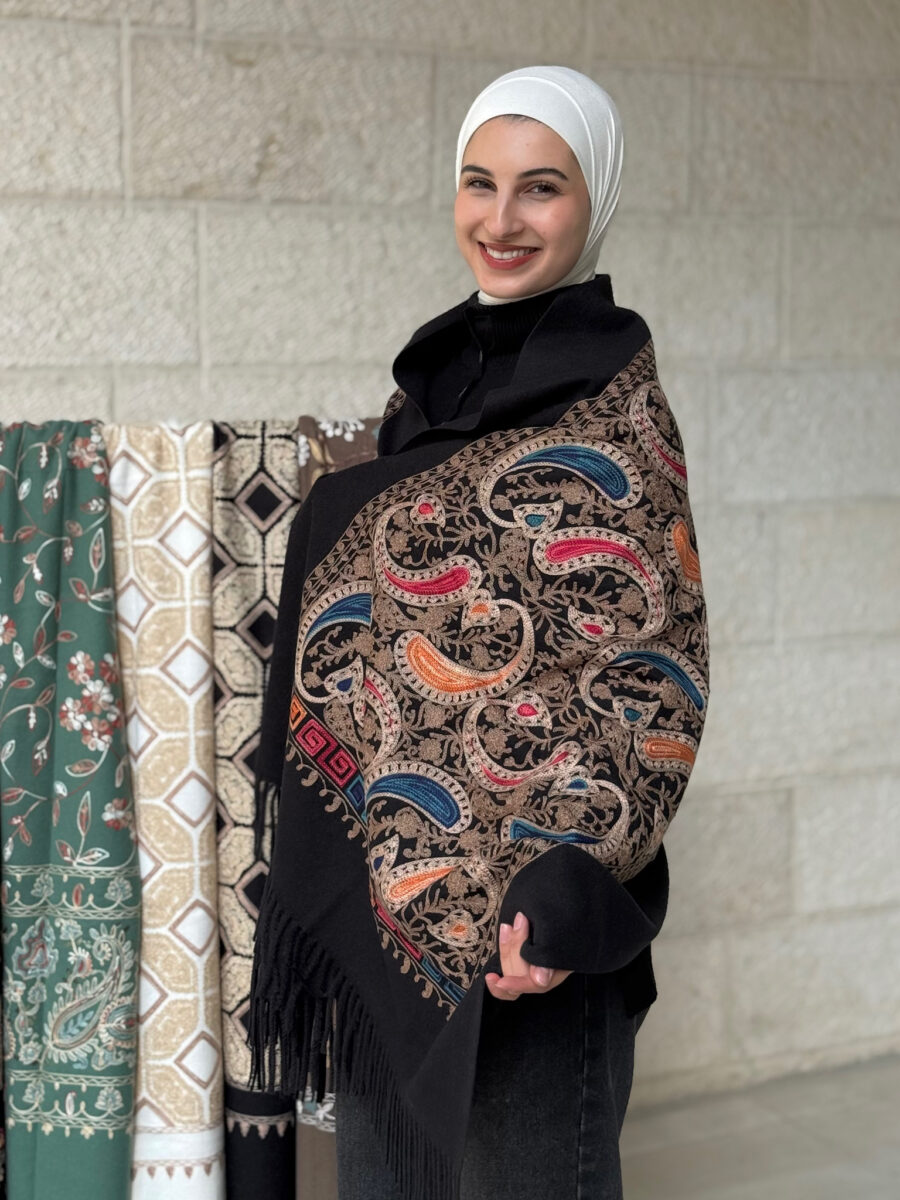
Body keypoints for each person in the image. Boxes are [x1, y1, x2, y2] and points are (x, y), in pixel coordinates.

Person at [249, 65, 709, 1200]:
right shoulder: (432, 392)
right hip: (390, 921)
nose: (501, 219)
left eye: (540, 187)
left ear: (594, 201)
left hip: (530, 939)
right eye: (479, 182)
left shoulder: (615, 408)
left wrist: (559, 894)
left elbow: (655, 675)